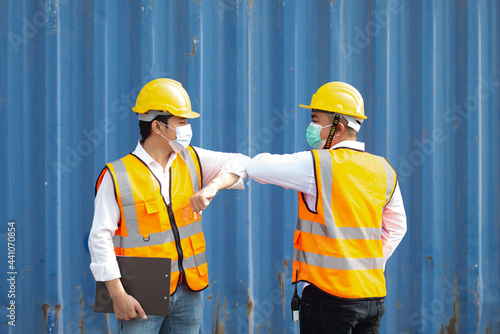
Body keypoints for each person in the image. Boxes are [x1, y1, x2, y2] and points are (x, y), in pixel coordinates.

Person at [88, 78, 250, 333]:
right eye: (182, 122)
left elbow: (242, 164)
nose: (188, 128)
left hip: (188, 291)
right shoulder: (117, 175)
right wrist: (117, 295)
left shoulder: (191, 159)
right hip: (140, 295)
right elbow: (99, 238)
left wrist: (212, 187)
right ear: (158, 126)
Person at [247, 82, 407, 333]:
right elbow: (397, 228)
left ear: (338, 128)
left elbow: (256, 167)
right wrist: (365, 265)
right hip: (372, 296)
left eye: (315, 120)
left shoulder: (317, 164)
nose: (311, 127)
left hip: (328, 298)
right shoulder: (384, 169)